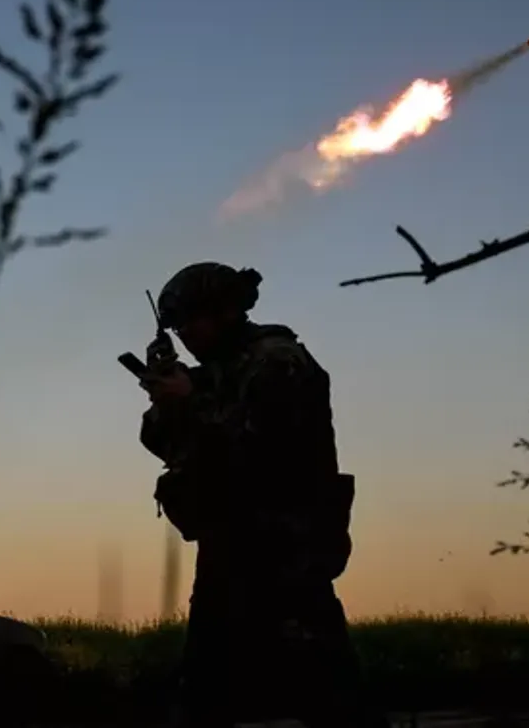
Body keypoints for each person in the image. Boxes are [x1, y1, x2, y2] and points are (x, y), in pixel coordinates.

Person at [137, 262, 385, 728]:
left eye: (192, 320)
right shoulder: (215, 373)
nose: (185, 332)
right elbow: (167, 446)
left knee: (327, 691)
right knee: (204, 692)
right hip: (228, 550)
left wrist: (191, 400)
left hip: (284, 553)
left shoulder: (278, 361)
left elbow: (262, 450)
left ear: (224, 313)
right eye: (178, 325)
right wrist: (165, 402)